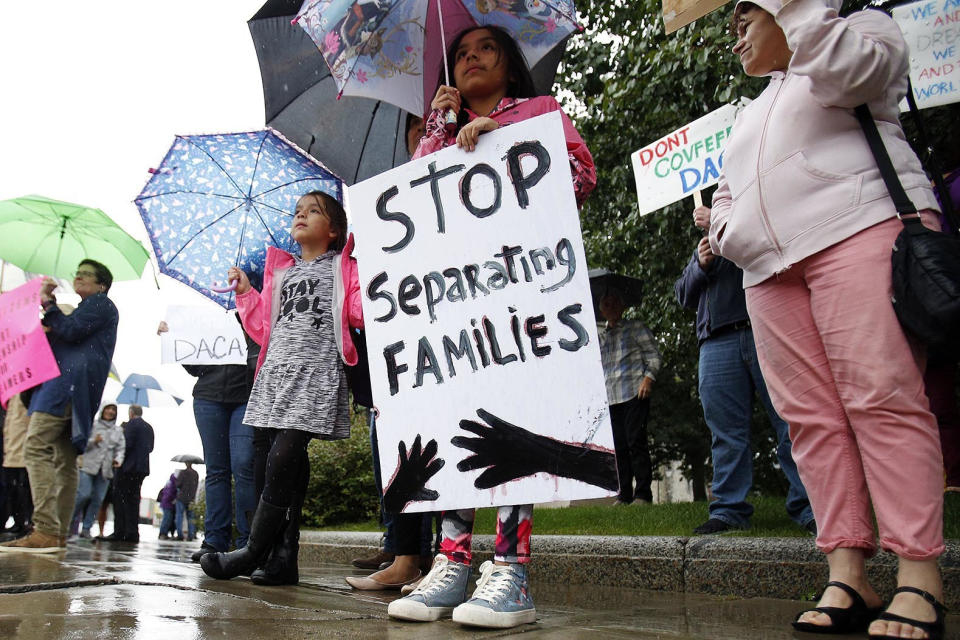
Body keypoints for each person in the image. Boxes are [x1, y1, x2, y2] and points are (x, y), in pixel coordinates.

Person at [708, 1, 946, 637]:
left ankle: (919, 575)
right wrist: (733, 233)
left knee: (883, 399)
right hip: (766, 272)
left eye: (745, 17)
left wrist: (799, 14)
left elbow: (852, 73)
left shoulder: (863, 32)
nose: (734, 33)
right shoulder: (748, 111)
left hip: (857, 231)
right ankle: (847, 571)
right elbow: (725, 194)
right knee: (809, 421)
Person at [375, 26, 595, 629]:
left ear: (510, 66)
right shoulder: (440, 127)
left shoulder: (540, 112)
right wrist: (441, 129)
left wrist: (506, 140)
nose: (471, 58)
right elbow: (414, 206)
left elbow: (580, 178)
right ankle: (451, 561)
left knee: (509, 429)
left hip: (519, 297)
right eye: (461, 53)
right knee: (456, 426)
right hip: (454, 307)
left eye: (485, 50)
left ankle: (510, 569)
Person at [200, 189, 363, 589]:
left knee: (286, 451)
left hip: (315, 372)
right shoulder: (282, 273)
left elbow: (360, 310)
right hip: (275, 374)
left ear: (334, 230)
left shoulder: (344, 268)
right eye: (297, 211)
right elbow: (263, 327)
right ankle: (282, 554)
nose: (301, 216)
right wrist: (244, 293)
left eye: (314, 211)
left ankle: (254, 548)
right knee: (278, 457)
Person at [675, 216, 814, 535]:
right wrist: (700, 264)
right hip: (717, 341)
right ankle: (728, 511)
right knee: (725, 432)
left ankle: (811, 505)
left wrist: (728, 226)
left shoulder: (758, 215)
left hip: (768, 328)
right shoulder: (704, 245)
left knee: (791, 423)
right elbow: (683, 294)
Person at [352, 112, 436, 577]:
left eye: (431, 127)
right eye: (417, 131)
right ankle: (402, 545)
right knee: (390, 444)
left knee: (428, 442)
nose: (424, 136)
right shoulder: (390, 199)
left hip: (440, 334)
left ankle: (428, 549)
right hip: (395, 342)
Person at [0, 260, 118, 554]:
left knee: (35, 447)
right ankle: (59, 531)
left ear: (101, 284)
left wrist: (48, 304)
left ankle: (46, 529)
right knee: (65, 461)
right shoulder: (89, 309)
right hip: (73, 391)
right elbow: (66, 335)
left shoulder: (101, 305)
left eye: (86, 274)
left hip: (64, 389)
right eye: (76, 272)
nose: (78, 277)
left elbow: (72, 331)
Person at [158, 317, 259, 563]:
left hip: (245, 397)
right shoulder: (209, 318)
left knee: (244, 465)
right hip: (208, 398)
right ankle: (214, 540)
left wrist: (249, 343)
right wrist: (173, 341)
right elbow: (195, 367)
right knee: (216, 471)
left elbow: (263, 360)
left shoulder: (257, 311)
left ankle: (249, 542)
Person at [596, 290, 661, 505]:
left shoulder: (636, 328)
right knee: (618, 447)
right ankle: (624, 495)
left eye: (615, 302)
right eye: (606, 303)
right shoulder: (599, 336)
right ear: (600, 309)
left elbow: (654, 355)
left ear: (623, 306)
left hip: (634, 392)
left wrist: (648, 379)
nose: (611, 306)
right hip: (611, 398)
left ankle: (643, 494)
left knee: (636, 442)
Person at [69, 403, 124, 539]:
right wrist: (94, 440)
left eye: (113, 410)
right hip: (88, 466)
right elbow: (81, 442)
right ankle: (68, 523)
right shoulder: (92, 425)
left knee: (98, 499)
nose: (111, 412)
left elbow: (121, 449)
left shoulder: (118, 431)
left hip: (105, 470)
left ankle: (87, 528)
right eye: (108, 408)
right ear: (103, 410)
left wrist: (118, 459)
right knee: (83, 495)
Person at [109, 405, 154, 543]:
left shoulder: (130, 425)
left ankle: (120, 531)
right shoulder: (148, 427)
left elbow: (125, 446)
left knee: (120, 499)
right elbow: (151, 448)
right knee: (134, 500)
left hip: (127, 468)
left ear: (131, 412)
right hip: (141, 469)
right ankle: (132, 532)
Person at [0, 394, 34, 542]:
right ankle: (19, 522)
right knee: (13, 487)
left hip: (23, 446)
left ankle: (25, 524)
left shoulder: (26, 393)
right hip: (11, 446)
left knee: (23, 487)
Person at [174, 462, 199, 541]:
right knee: (191, 518)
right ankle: (190, 536)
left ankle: (180, 535)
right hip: (191, 498)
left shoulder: (183, 472)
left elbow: (177, 484)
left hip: (182, 497)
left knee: (179, 517)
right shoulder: (195, 473)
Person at [157, 473, 177, 539]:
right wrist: (173, 499)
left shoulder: (169, 483)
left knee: (167, 519)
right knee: (167, 519)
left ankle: (163, 533)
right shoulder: (173, 484)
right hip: (168, 504)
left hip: (166, 503)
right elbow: (169, 494)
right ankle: (162, 533)